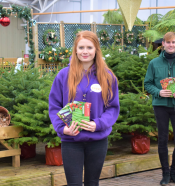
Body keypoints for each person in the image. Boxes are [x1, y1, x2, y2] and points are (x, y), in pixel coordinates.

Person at [49, 31, 119, 186]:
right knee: (73, 183)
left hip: (98, 140)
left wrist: (98, 124)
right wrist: (62, 129)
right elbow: (54, 107)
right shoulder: (63, 76)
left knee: (92, 182)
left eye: (89, 47)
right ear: (75, 50)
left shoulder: (107, 77)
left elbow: (113, 108)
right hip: (71, 140)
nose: (85, 51)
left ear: (96, 50)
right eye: (81, 47)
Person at [144, 32, 175, 185]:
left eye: (174, 42)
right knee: (163, 140)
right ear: (163, 44)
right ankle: (165, 173)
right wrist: (158, 92)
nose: (171, 45)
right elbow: (147, 84)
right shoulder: (154, 63)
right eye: (168, 42)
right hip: (161, 106)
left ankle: (174, 172)